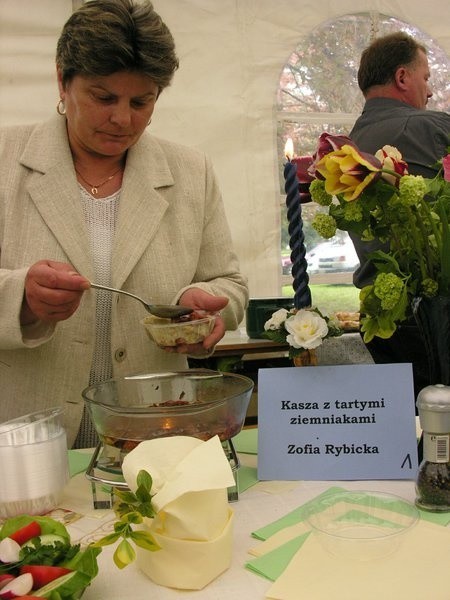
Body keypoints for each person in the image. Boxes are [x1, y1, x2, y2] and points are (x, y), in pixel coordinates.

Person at [0, 0, 248, 448]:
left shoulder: (192, 172)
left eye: (142, 101)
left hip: (155, 432)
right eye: (103, 97)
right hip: (25, 440)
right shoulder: (4, 161)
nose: (123, 119)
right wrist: (21, 297)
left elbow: (228, 283)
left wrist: (210, 307)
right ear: (62, 80)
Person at [348, 32, 450, 398]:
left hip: (385, 324)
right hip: (439, 326)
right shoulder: (430, 127)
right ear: (403, 78)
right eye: (426, 78)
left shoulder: (348, 146)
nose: (432, 91)